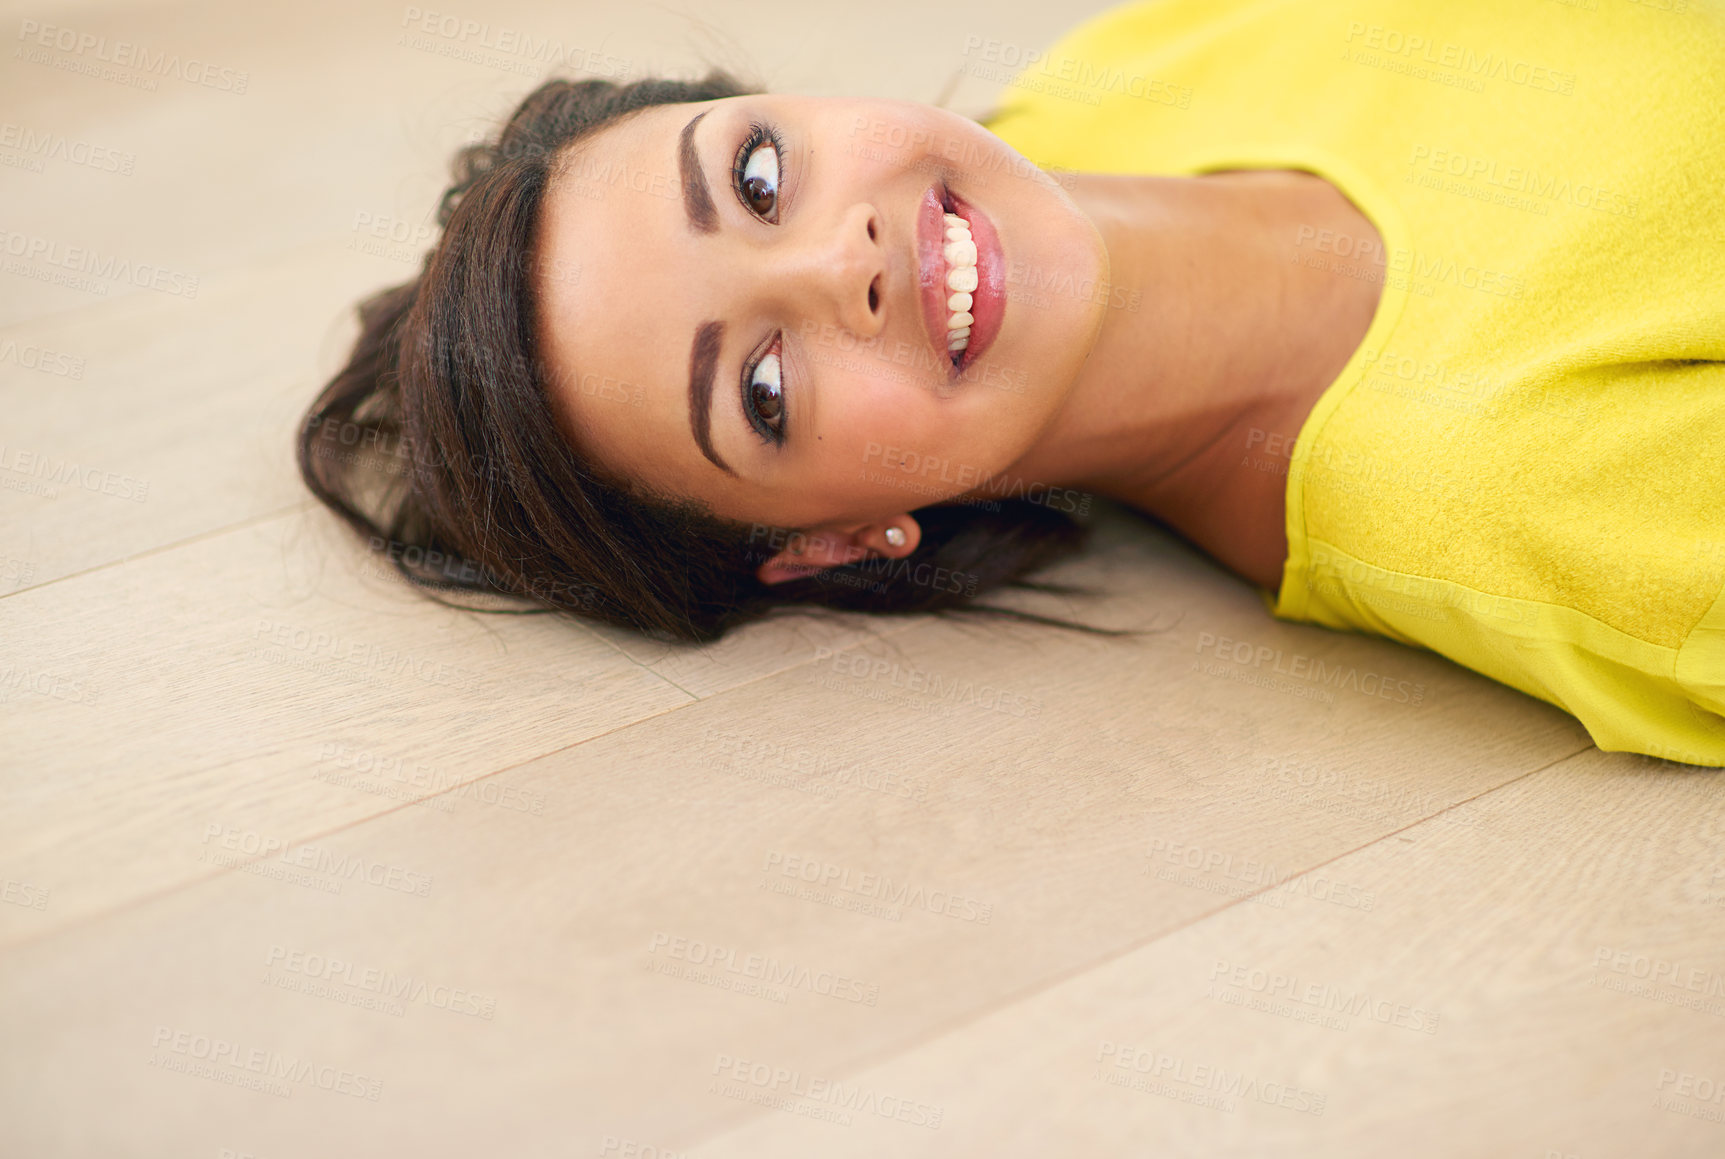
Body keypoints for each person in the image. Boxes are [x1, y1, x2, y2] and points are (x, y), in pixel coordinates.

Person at [299, 0, 1725, 765]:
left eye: (752, 175)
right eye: (766, 390)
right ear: (838, 540)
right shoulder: (1525, 504)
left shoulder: (1112, 75)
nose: (833, 266)